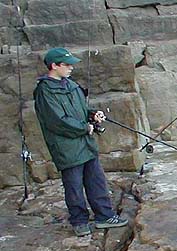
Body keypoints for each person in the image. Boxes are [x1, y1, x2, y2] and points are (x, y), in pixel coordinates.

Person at [33, 47, 128, 237]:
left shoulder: (72, 85)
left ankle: (104, 216)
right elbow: (56, 121)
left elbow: (81, 110)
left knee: (97, 181)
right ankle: (79, 221)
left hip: (86, 145)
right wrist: (84, 128)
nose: (71, 68)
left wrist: (93, 114)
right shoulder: (44, 91)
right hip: (66, 148)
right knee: (74, 186)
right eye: (67, 65)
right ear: (54, 66)